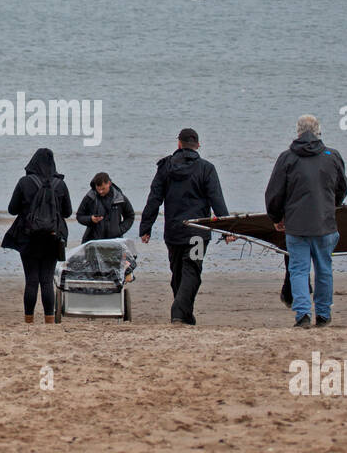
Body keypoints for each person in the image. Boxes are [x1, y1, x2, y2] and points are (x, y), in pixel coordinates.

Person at [139, 128, 232, 325]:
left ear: (179, 144)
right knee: (191, 271)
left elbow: (154, 199)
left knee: (179, 273)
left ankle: (184, 315)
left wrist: (145, 227)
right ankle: (179, 312)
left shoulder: (165, 167)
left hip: (173, 232)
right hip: (198, 232)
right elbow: (217, 200)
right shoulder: (206, 169)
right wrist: (227, 228)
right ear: (197, 145)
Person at [265, 115, 347, 328]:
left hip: (297, 225)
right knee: (324, 268)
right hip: (325, 223)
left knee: (299, 269)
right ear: (318, 130)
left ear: (298, 132)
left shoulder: (287, 158)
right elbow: (342, 188)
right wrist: (332, 204)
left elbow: (274, 193)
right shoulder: (332, 156)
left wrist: (276, 217)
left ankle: (302, 314)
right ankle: (322, 313)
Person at [2, 148, 72, 324]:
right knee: (47, 280)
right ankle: (49, 320)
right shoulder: (60, 184)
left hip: (28, 237)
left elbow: (12, 209)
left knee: (31, 280)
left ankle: (29, 320)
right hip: (53, 237)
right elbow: (68, 212)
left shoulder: (25, 182)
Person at [76, 172, 135, 242]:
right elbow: (79, 216)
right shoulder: (89, 197)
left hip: (114, 240)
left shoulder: (120, 198)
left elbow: (130, 216)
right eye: (98, 189)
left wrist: (120, 230)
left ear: (109, 184)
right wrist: (90, 219)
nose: (100, 191)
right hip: (92, 240)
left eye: (103, 189)